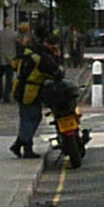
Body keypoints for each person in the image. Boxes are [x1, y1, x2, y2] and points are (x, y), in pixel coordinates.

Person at [4, 30, 63, 158]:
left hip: (19, 87)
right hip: (31, 91)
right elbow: (56, 72)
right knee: (33, 117)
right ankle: (22, 144)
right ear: (51, 45)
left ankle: (23, 147)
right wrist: (57, 58)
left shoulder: (28, 52)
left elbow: (14, 65)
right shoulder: (42, 57)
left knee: (26, 118)